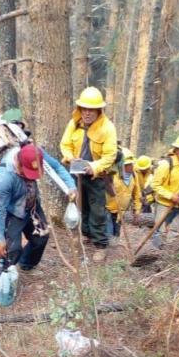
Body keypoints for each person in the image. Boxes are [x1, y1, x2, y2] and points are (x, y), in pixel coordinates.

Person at [0, 143, 76, 278]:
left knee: (41, 237)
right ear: (18, 164)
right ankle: (3, 282)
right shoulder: (4, 177)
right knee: (11, 250)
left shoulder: (36, 153)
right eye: (28, 173)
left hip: (31, 205)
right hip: (12, 212)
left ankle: (27, 265)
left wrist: (71, 186)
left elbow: (57, 167)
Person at [60, 86, 117, 262]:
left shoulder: (107, 128)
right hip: (76, 175)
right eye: (84, 108)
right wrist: (70, 157)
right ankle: (85, 235)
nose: (87, 113)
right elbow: (65, 144)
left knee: (98, 211)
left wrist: (95, 166)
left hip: (96, 176)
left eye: (91, 109)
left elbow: (110, 155)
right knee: (80, 206)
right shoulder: (74, 123)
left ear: (99, 110)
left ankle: (100, 244)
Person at [105, 149, 141, 245]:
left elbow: (137, 194)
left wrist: (137, 210)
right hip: (108, 209)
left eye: (131, 164)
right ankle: (107, 252)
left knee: (116, 234)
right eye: (128, 164)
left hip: (121, 212)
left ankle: (115, 254)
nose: (131, 166)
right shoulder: (112, 174)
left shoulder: (134, 175)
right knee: (109, 234)